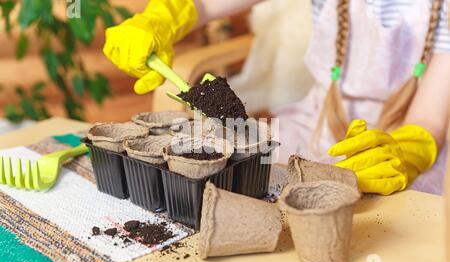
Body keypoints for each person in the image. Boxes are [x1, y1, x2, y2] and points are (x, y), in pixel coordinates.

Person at [103, 0, 450, 195]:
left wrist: (409, 152)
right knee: (244, 170)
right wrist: (162, 19)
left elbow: (429, 119)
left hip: (402, 141)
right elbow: (205, 5)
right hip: (317, 122)